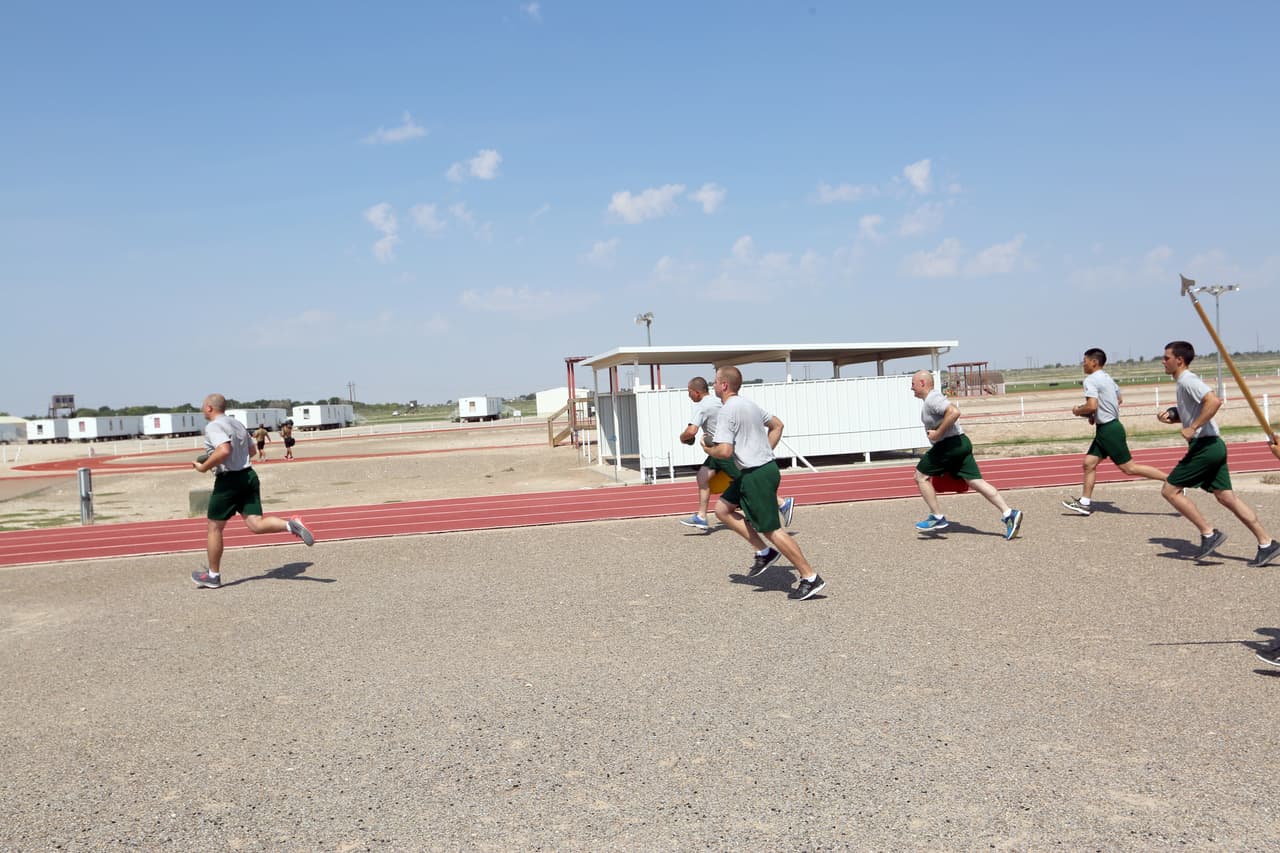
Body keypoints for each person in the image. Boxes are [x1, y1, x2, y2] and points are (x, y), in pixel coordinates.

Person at [706, 366, 825, 601]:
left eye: (715, 381)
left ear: (724, 385)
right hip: (762, 470)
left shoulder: (727, 410)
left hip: (756, 474)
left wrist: (708, 448)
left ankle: (810, 577)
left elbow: (725, 450)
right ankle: (764, 552)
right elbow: (777, 425)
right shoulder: (749, 404)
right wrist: (763, 452)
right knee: (722, 509)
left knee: (773, 530)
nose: (713, 385)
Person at [1155, 341, 1279, 565]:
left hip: (1206, 447)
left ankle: (1209, 533)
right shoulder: (1182, 383)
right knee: (1226, 497)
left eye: (1166, 358)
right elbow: (1195, 412)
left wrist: (1193, 428)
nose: (1163, 361)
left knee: (1170, 490)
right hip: (1212, 445)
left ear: (1179, 360)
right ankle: (1266, 542)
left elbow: (1213, 401)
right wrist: (1175, 417)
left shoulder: (1187, 380)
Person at [190, 394, 314, 589]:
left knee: (214, 527)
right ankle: (290, 525)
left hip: (228, 481)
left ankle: (213, 575)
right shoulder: (237, 423)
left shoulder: (214, 426)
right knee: (255, 524)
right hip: (248, 476)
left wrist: (204, 467)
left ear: (209, 408)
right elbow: (252, 451)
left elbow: (223, 450)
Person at [910, 370, 1024, 539]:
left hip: (949, 445)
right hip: (961, 442)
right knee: (976, 482)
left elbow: (954, 412)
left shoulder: (933, 398)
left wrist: (938, 433)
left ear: (922, 383)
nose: (911, 388)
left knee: (920, 476)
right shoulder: (930, 400)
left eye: (913, 384)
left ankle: (937, 517)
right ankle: (1009, 513)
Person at [678, 376, 794, 532]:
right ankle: (701, 516)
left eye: (689, 392)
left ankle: (781, 503)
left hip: (724, 451)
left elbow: (692, 430)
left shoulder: (702, 406)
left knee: (746, 483)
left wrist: (682, 438)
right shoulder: (717, 401)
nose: (688, 395)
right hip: (719, 449)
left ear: (696, 392)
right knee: (702, 477)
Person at [1061, 348, 1167, 515]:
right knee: (1089, 464)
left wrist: (1078, 410)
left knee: (1129, 468)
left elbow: (1091, 405)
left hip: (1109, 430)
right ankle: (1085, 503)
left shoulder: (1090, 380)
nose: (1083, 364)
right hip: (1107, 427)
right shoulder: (1107, 378)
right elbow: (1119, 399)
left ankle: (1171, 481)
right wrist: (1097, 414)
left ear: (1094, 362)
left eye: (1085, 361)